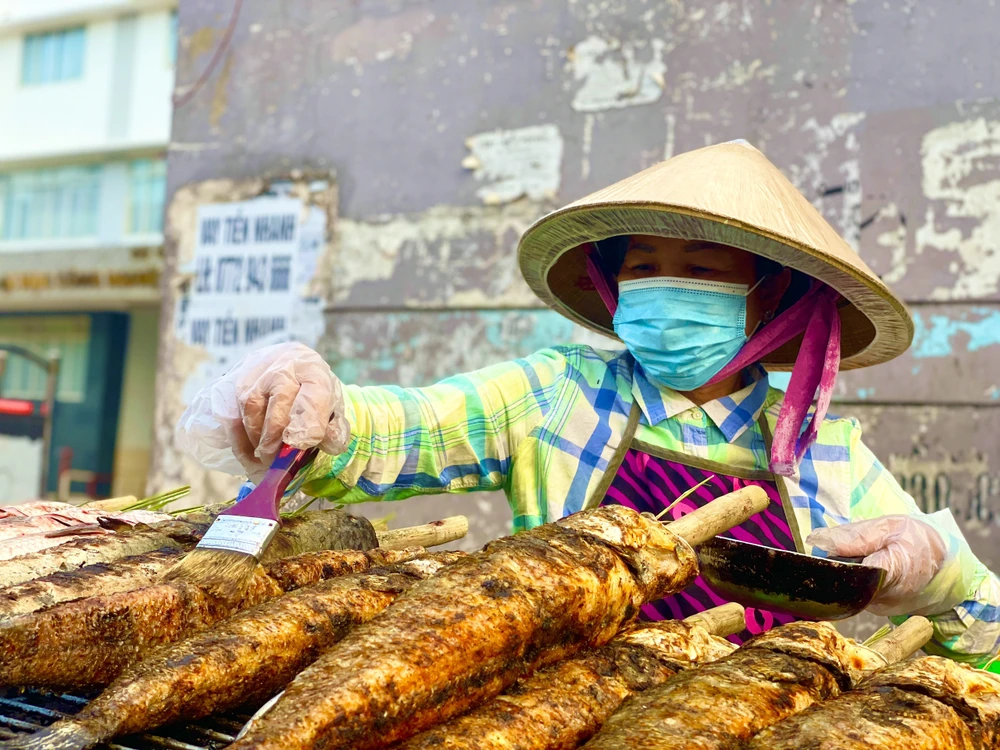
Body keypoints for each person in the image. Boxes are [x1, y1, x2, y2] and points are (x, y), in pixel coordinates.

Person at [178, 140, 1000, 660]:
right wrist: (319, 407)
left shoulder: (827, 455)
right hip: (547, 710)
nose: (661, 288)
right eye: (641, 265)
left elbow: (982, 624)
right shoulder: (555, 392)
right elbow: (405, 429)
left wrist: (935, 573)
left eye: (703, 271)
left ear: (769, 301)